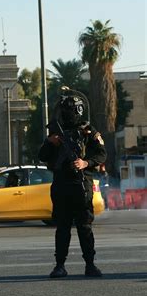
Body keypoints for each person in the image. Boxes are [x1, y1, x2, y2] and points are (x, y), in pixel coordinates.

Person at [39, 93, 106, 278]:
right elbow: (42, 156)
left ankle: (90, 264)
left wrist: (85, 163)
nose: (65, 114)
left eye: (68, 110)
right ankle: (60, 265)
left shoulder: (89, 131)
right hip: (61, 184)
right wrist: (49, 142)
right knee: (62, 227)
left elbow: (101, 154)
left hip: (82, 184)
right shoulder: (55, 133)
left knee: (84, 227)